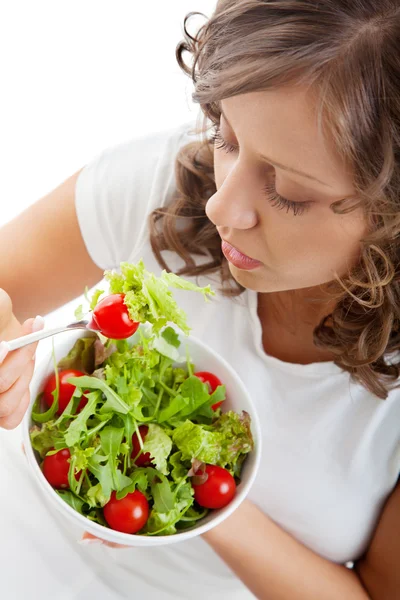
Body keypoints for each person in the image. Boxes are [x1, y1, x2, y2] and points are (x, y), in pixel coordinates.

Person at [1, 0, 400, 598]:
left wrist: (206, 494)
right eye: (227, 135)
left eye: (288, 192)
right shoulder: (167, 185)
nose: (221, 208)